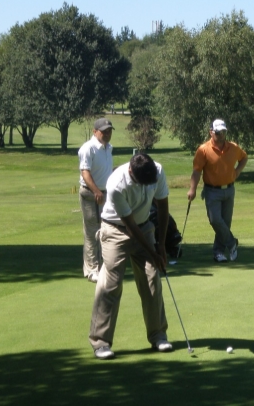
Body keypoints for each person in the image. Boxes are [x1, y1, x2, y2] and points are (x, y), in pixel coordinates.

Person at [89, 153, 172, 360]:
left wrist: (161, 245)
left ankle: (158, 335)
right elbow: (130, 225)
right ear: (131, 173)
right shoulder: (116, 184)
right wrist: (153, 252)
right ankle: (101, 342)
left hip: (144, 227)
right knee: (111, 282)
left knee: (152, 277)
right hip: (116, 228)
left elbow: (162, 205)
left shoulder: (157, 171)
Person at [188, 119, 248, 263]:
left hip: (229, 189)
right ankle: (232, 243)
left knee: (225, 223)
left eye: (224, 132)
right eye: (218, 132)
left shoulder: (233, 147)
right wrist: (192, 189)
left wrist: (237, 171)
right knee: (215, 220)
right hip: (212, 191)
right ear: (211, 132)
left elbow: (244, 158)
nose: (221, 135)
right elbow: (196, 171)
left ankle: (218, 252)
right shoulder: (203, 150)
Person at [78, 118, 114, 283]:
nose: (107, 134)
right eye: (104, 131)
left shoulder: (108, 148)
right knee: (92, 232)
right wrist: (96, 191)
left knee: (105, 230)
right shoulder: (88, 148)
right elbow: (85, 172)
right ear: (95, 131)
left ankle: (103, 266)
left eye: (109, 131)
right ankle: (92, 270)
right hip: (90, 193)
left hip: (105, 193)